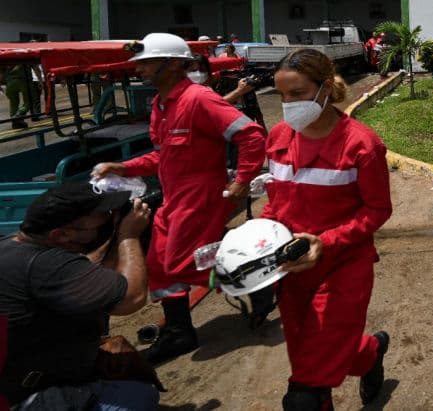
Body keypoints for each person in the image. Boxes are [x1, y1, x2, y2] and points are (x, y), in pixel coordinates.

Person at [92, 32, 267, 364]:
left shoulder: (199, 99)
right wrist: (122, 167)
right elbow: (162, 157)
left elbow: (251, 135)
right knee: (158, 267)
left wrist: (244, 179)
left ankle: (255, 277)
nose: (139, 70)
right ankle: (178, 332)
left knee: (180, 263)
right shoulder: (160, 105)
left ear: (174, 65)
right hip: (174, 197)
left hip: (200, 197)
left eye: (147, 63)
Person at [262, 48, 392, 409]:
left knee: (306, 391)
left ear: (324, 89)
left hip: (342, 269)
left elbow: (377, 210)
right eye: (282, 95)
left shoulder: (361, 144)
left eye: (298, 94)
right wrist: (259, 238)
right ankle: (370, 351)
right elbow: (275, 202)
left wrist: (325, 241)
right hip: (291, 272)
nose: (288, 104)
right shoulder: (277, 137)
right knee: (315, 355)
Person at [0, 183, 159, 409]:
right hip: (24, 397)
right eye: (102, 216)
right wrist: (129, 236)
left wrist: (115, 236)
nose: (109, 218)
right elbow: (131, 298)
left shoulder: (16, 247)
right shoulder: (43, 265)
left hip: (23, 374)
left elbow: (87, 270)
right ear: (61, 234)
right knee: (139, 397)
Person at [4, 62, 42, 129]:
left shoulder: (6, 55)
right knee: (30, 101)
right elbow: (36, 68)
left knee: (13, 103)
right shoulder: (25, 53)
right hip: (25, 81)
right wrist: (40, 81)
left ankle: (15, 122)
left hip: (10, 83)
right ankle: (19, 115)